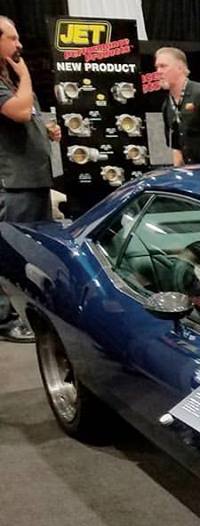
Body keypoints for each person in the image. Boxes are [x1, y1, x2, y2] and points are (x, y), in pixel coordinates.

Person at [0, 16, 59, 343]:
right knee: (10, 254)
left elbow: (29, 116)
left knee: (32, 254)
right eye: (13, 38)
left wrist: (46, 130)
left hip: (34, 180)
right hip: (14, 185)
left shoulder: (10, 79)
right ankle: (7, 320)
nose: (19, 44)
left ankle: (33, 315)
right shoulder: (12, 79)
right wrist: (25, 76)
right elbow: (20, 112)